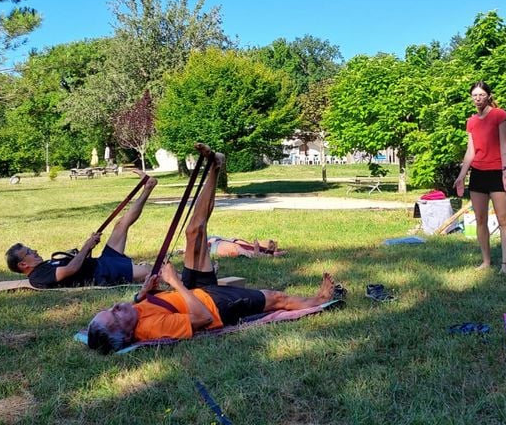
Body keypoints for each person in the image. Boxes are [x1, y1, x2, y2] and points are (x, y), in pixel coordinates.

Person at [87, 144, 340, 353]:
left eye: (110, 309)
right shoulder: (151, 329)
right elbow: (203, 319)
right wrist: (175, 283)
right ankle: (318, 301)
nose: (116, 307)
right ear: (128, 335)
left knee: (193, 231)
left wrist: (143, 294)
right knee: (276, 298)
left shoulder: (133, 313)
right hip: (215, 305)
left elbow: (141, 307)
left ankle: (215, 167)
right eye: (115, 316)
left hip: (194, 293)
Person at [5, 170, 157, 288]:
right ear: (23, 265)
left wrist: (88, 248)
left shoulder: (44, 266)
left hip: (101, 262)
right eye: (29, 252)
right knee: (150, 271)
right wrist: (87, 245)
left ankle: (148, 187)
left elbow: (77, 264)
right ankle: (178, 280)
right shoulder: (38, 277)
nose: (35, 251)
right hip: (102, 273)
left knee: (120, 225)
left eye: (31, 249)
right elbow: (71, 269)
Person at [453, 81, 506, 273]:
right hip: (478, 175)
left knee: (503, 219)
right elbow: (470, 151)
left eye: (481, 95)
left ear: (488, 95)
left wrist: (505, 170)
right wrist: (462, 176)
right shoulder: (471, 121)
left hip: (497, 172)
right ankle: (486, 261)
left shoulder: (500, 115)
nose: (478, 98)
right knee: (480, 220)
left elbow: (505, 145)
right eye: (474, 95)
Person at [208, 236, 285, 258]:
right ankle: (257, 255)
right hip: (213, 244)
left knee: (237, 245)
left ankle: (265, 253)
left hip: (217, 241)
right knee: (236, 247)